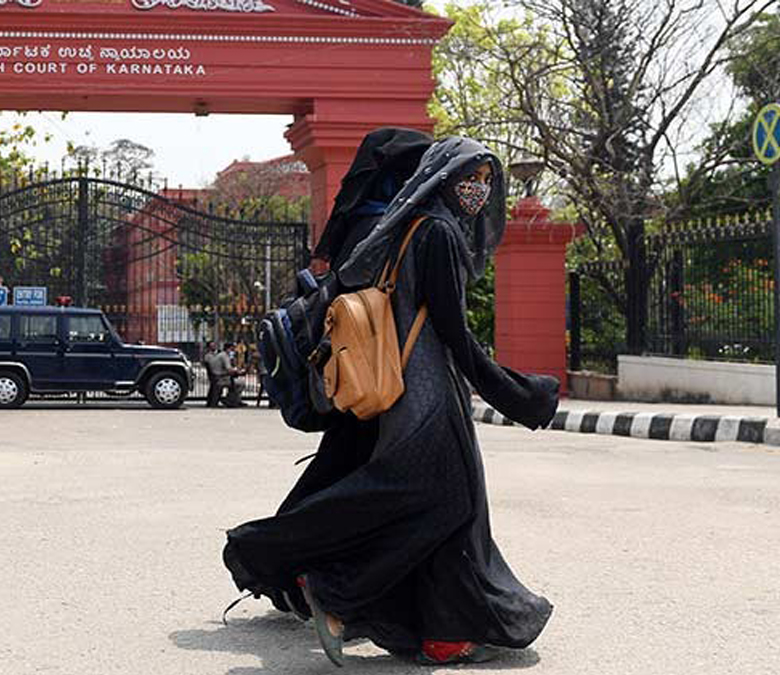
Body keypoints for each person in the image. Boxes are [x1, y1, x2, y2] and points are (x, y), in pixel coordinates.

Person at [222, 136, 560, 667]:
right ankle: (328, 585)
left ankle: (439, 630)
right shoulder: (440, 235)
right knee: (440, 501)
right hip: (427, 395)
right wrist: (518, 393)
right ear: (442, 179)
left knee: (438, 506)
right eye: (469, 177)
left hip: (404, 391)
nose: (479, 189)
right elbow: (453, 333)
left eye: (487, 180)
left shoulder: (404, 227)